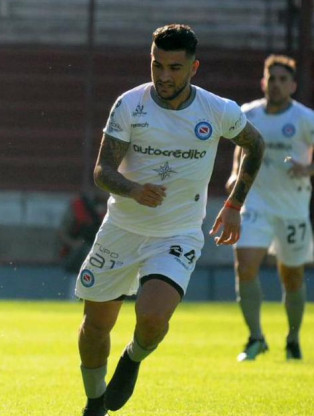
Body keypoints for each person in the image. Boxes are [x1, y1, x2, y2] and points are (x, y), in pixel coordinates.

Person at [76, 24, 265, 416]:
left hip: (176, 233)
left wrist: (233, 205)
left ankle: (133, 358)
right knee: (95, 326)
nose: (164, 76)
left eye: (174, 68)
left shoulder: (217, 111)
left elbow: (255, 144)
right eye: (156, 65)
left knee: (152, 317)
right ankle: (95, 403)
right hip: (121, 229)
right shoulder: (130, 105)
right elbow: (102, 171)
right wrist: (131, 189)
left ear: (194, 68)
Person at [227, 54, 313, 362]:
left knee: (291, 278)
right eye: (271, 78)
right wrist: (236, 174)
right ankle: (256, 337)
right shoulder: (248, 114)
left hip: (292, 209)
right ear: (263, 82)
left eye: (282, 79)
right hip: (256, 205)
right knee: (245, 266)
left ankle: (292, 339)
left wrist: (309, 168)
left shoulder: (305, 118)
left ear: (292, 85)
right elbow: (243, 149)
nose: (275, 85)